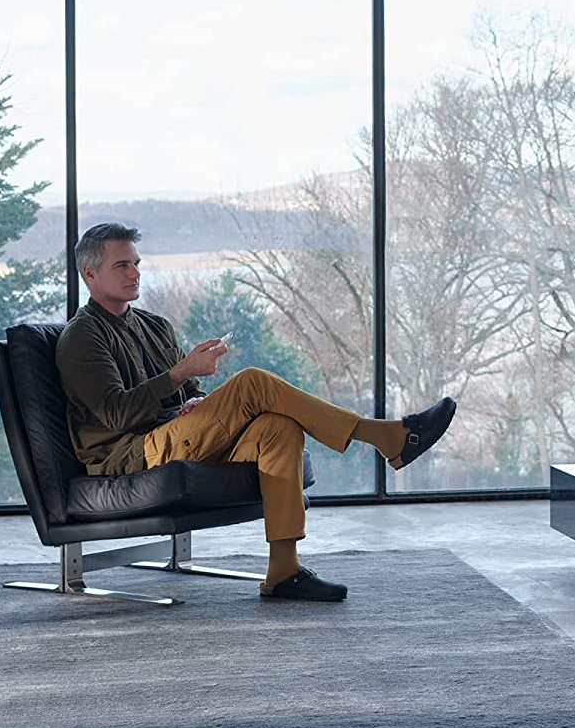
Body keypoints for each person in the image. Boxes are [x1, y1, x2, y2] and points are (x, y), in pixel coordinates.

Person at [54, 222, 456, 602]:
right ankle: (386, 437)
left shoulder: (154, 326)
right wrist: (180, 374)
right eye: (121, 265)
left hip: (172, 436)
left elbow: (186, 391)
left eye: (137, 263)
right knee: (252, 383)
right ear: (90, 274)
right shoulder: (81, 338)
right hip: (132, 454)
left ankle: (284, 570)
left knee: (277, 427)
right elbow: (115, 415)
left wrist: (191, 398)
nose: (134, 273)